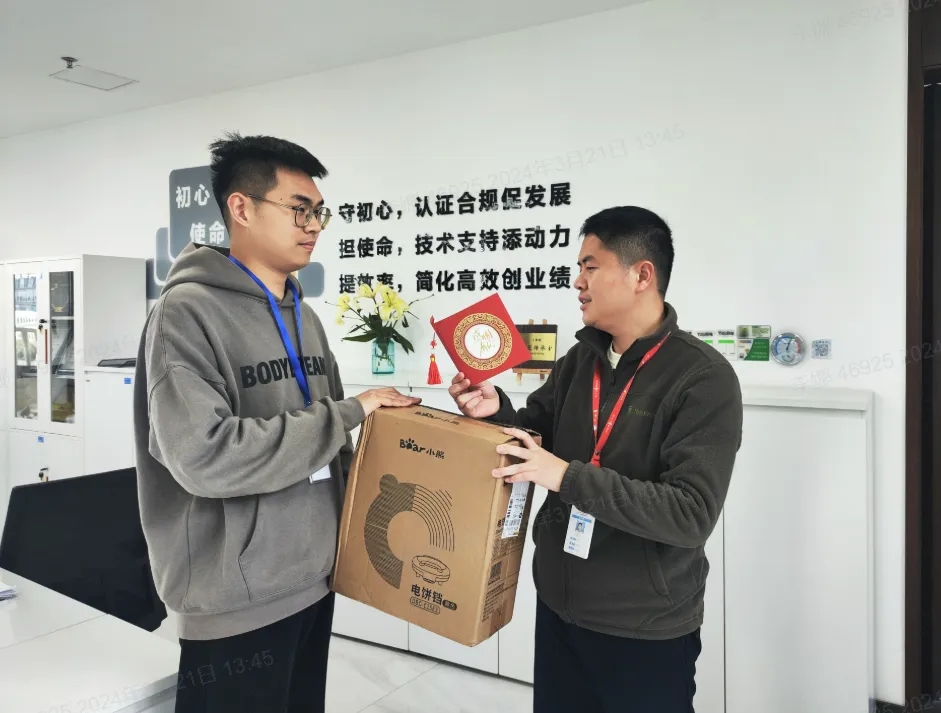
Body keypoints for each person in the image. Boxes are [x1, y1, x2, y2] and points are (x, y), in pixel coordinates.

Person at [133, 132, 420, 713]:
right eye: (298, 209)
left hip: (314, 578)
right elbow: (204, 456)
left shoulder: (304, 316)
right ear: (241, 207)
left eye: (319, 213)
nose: (313, 226)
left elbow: (333, 445)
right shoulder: (185, 314)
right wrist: (351, 411)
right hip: (236, 597)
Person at [448, 206, 743, 713]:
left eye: (590, 266)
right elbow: (535, 434)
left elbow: (690, 513)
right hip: (559, 608)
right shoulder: (579, 361)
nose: (577, 282)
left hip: (644, 627)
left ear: (641, 275)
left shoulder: (702, 378)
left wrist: (566, 476)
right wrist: (495, 410)